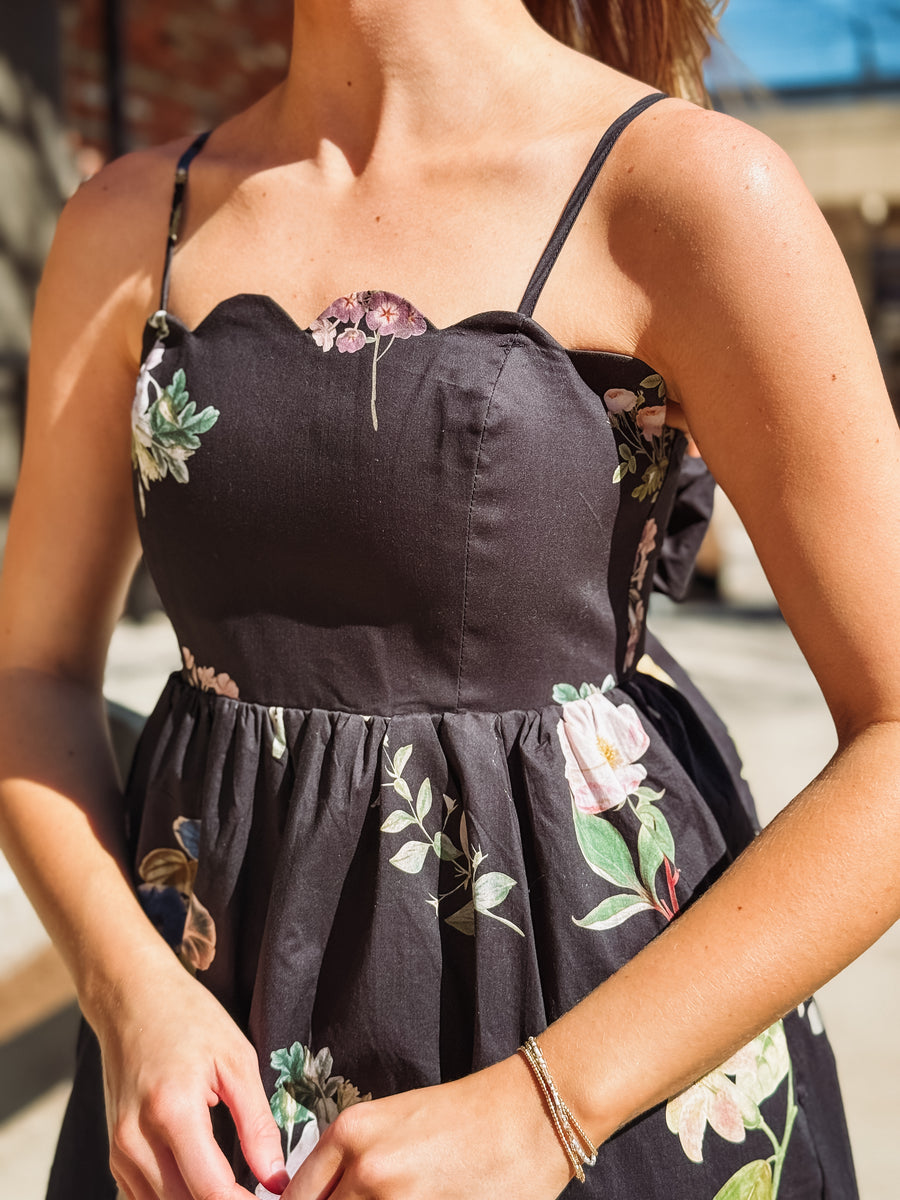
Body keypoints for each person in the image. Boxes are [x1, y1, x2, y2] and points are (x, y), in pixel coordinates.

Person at [0, 1, 896, 1197]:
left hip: (602, 1082)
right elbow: (30, 676)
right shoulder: (130, 222)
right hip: (200, 1086)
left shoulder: (684, 188)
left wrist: (547, 1108)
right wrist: (131, 996)